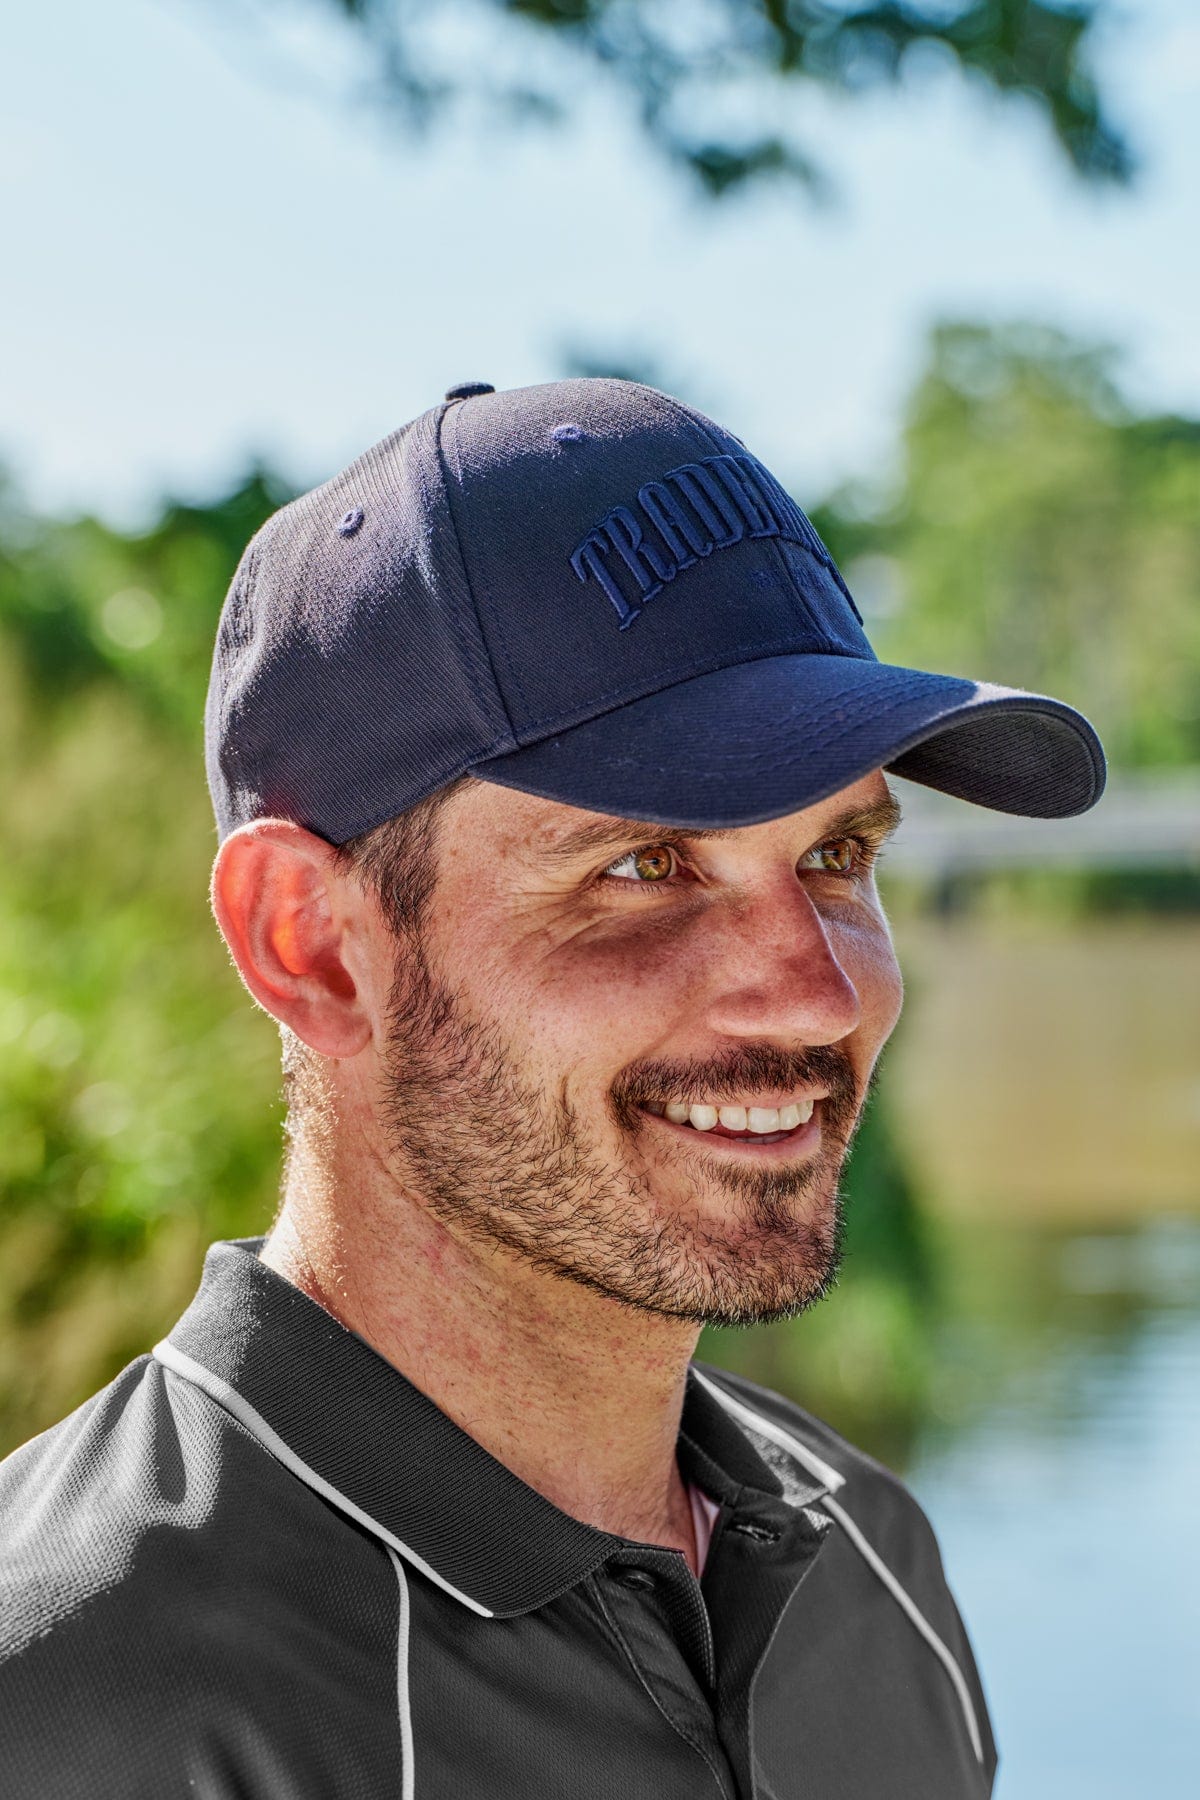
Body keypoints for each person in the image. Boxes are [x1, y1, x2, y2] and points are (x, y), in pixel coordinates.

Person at [0, 378, 1105, 1799]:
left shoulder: (868, 1559)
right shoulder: (68, 1701)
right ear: (310, 944)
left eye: (837, 857)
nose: (820, 992)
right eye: (645, 868)